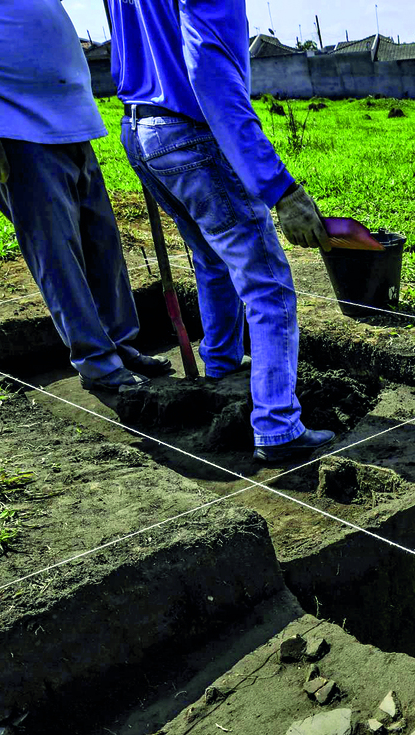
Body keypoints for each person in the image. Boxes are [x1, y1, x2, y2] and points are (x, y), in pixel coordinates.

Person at [0, 0, 177, 418]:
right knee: (57, 254)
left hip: (68, 119)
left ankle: (119, 345)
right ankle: (99, 364)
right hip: (11, 124)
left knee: (102, 244)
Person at [106, 0, 338, 464]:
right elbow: (211, 78)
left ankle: (221, 366)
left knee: (212, 257)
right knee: (268, 285)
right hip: (191, 132)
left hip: (140, 131)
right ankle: (277, 426)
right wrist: (282, 190)